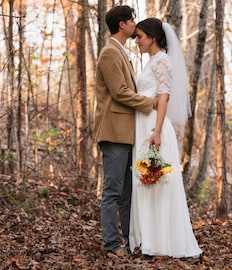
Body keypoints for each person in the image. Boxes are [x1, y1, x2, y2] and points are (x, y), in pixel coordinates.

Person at [129, 18, 202, 258]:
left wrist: (157, 132)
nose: (137, 41)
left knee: (156, 183)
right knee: (145, 181)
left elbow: (164, 97)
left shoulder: (162, 61)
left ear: (152, 37)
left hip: (154, 127)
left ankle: (159, 241)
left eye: (140, 36)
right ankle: (146, 238)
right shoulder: (152, 61)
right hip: (144, 125)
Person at [94, 6, 156, 257]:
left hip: (127, 133)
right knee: (112, 191)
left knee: (128, 193)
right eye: (132, 20)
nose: (135, 24)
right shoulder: (110, 53)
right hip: (114, 132)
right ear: (122, 24)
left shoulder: (121, 52)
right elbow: (119, 92)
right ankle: (111, 245)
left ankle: (130, 243)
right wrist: (148, 103)